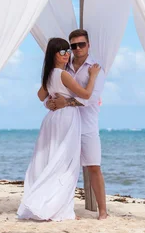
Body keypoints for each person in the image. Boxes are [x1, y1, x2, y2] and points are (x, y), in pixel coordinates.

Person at [17, 38, 101, 221]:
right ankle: (59, 209)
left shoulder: (49, 74)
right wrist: (93, 76)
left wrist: (51, 99)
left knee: (53, 159)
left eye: (67, 51)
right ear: (53, 54)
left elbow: (41, 96)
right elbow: (86, 95)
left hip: (53, 119)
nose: (67, 55)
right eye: (62, 52)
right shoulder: (63, 75)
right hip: (67, 117)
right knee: (65, 163)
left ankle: (54, 204)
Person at [46, 29, 108, 220]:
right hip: (65, 124)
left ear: (89, 45)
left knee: (94, 166)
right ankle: (62, 208)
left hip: (87, 125)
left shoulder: (96, 69)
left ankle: (103, 211)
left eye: (81, 44)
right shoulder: (64, 67)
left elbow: (91, 98)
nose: (77, 48)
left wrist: (67, 102)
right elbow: (52, 91)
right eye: (73, 46)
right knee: (62, 167)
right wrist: (49, 102)